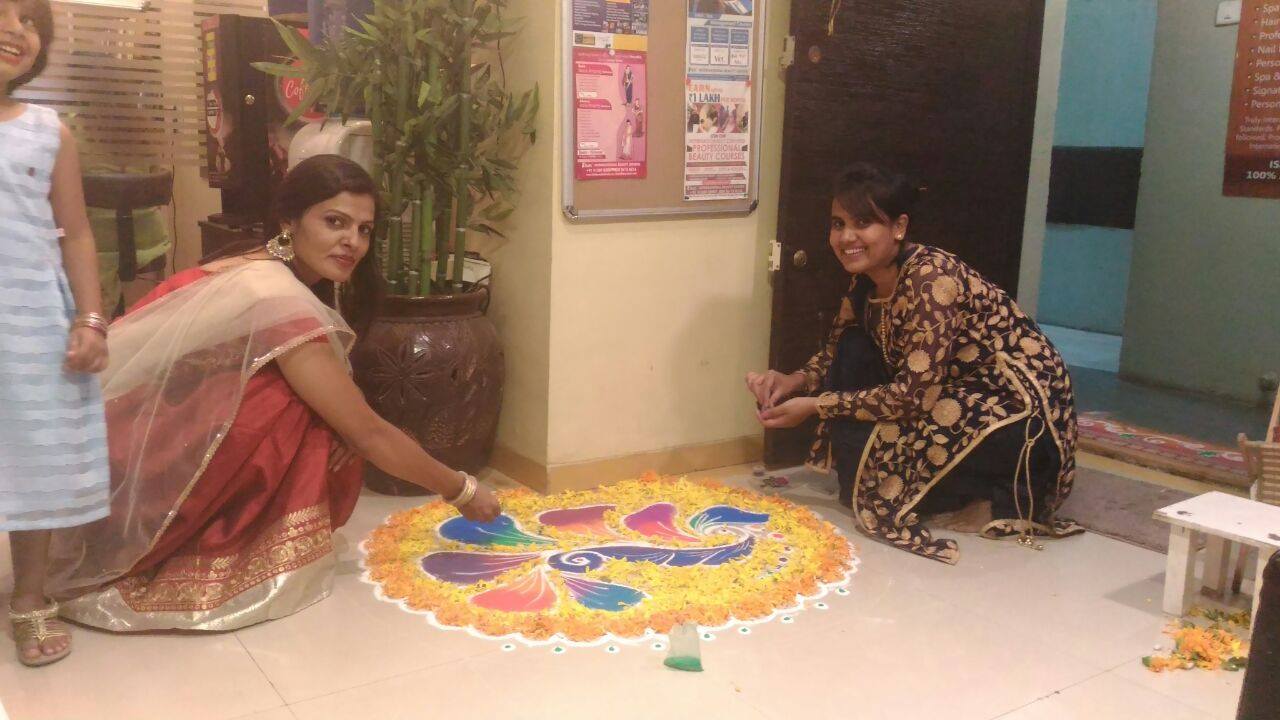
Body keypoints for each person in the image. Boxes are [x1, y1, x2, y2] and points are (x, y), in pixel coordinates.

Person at [46, 155, 501, 631]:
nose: (353, 241)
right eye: (334, 222)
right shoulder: (276, 296)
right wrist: (462, 489)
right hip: (136, 459)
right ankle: (221, 547)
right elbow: (368, 433)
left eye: (364, 230)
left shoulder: (254, 264)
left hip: (117, 442)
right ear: (289, 221)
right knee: (298, 411)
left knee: (321, 404)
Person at [746, 162, 1081, 564]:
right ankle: (942, 488)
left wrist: (816, 405)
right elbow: (836, 353)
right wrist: (794, 380)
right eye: (838, 224)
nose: (846, 237)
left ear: (899, 227)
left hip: (1017, 409)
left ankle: (1005, 497)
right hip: (945, 389)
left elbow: (913, 398)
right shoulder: (867, 279)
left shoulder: (930, 280)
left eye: (863, 223)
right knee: (853, 350)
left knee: (886, 460)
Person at [0, 0, 110, 666]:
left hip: (29, 324)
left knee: (33, 458)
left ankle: (29, 596)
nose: (17, 29)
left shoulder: (48, 131)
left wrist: (90, 317)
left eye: (31, 20)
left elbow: (77, 233)